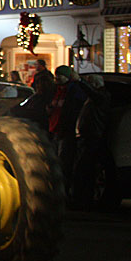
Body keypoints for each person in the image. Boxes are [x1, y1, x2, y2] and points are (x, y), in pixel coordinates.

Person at [71, 73, 113, 210]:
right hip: (88, 136)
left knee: (85, 169)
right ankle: (82, 199)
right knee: (84, 169)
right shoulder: (96, 97)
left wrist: (81, 81)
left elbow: (93, 93)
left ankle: (83, 200)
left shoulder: (101, 97)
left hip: (92, 137)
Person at [47, 65, 87, 201]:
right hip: (55, 130)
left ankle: (63, 192)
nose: (57, 77)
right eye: (56, 75)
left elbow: (74, 108)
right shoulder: (56, 90)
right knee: (55, 163)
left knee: (64, 164)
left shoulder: (73, 90)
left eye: (60, 75)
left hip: (66, 132)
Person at [10, 69, 55, 134]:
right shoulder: (35, 96)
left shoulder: (47, 97)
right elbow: (23, 105)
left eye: (40, 84)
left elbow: (37, 112)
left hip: (40, 129)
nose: (38, 86)